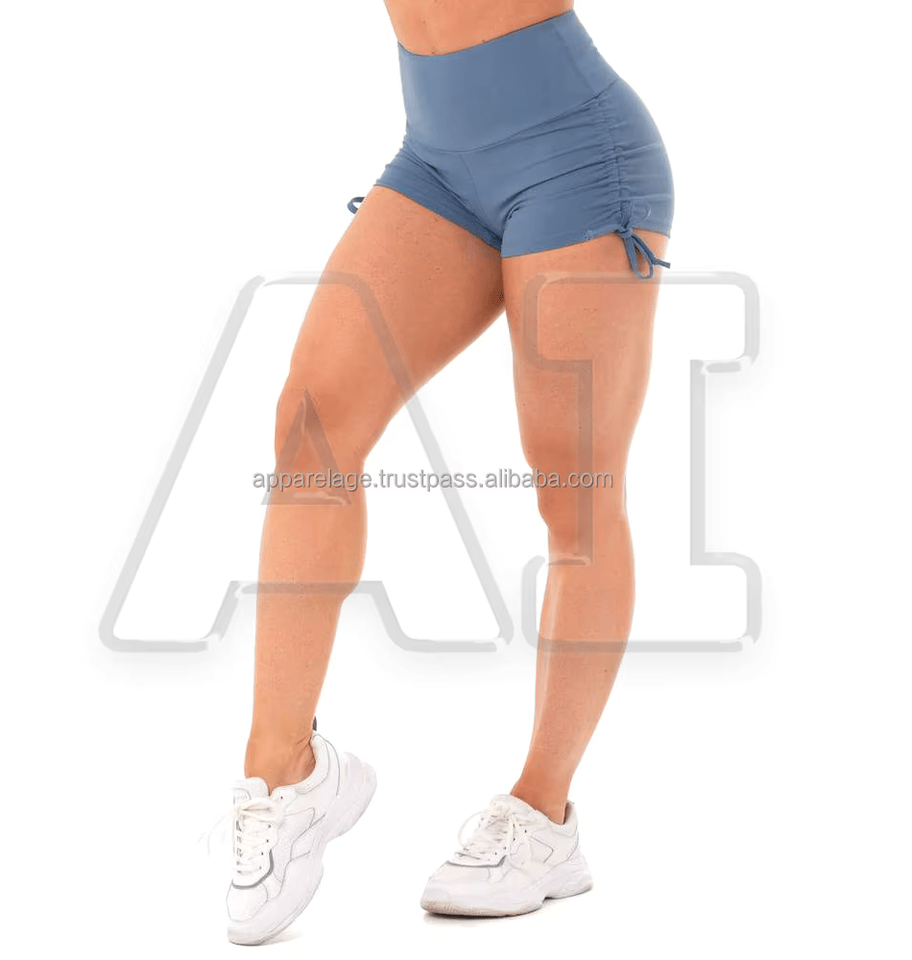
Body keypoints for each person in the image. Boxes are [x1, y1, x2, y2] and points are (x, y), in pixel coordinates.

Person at [217, 1, 673, 944]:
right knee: (312, 427)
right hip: (436, 157)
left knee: (576, 488)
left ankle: (544, 814)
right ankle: (286, 773)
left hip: (576, 153)